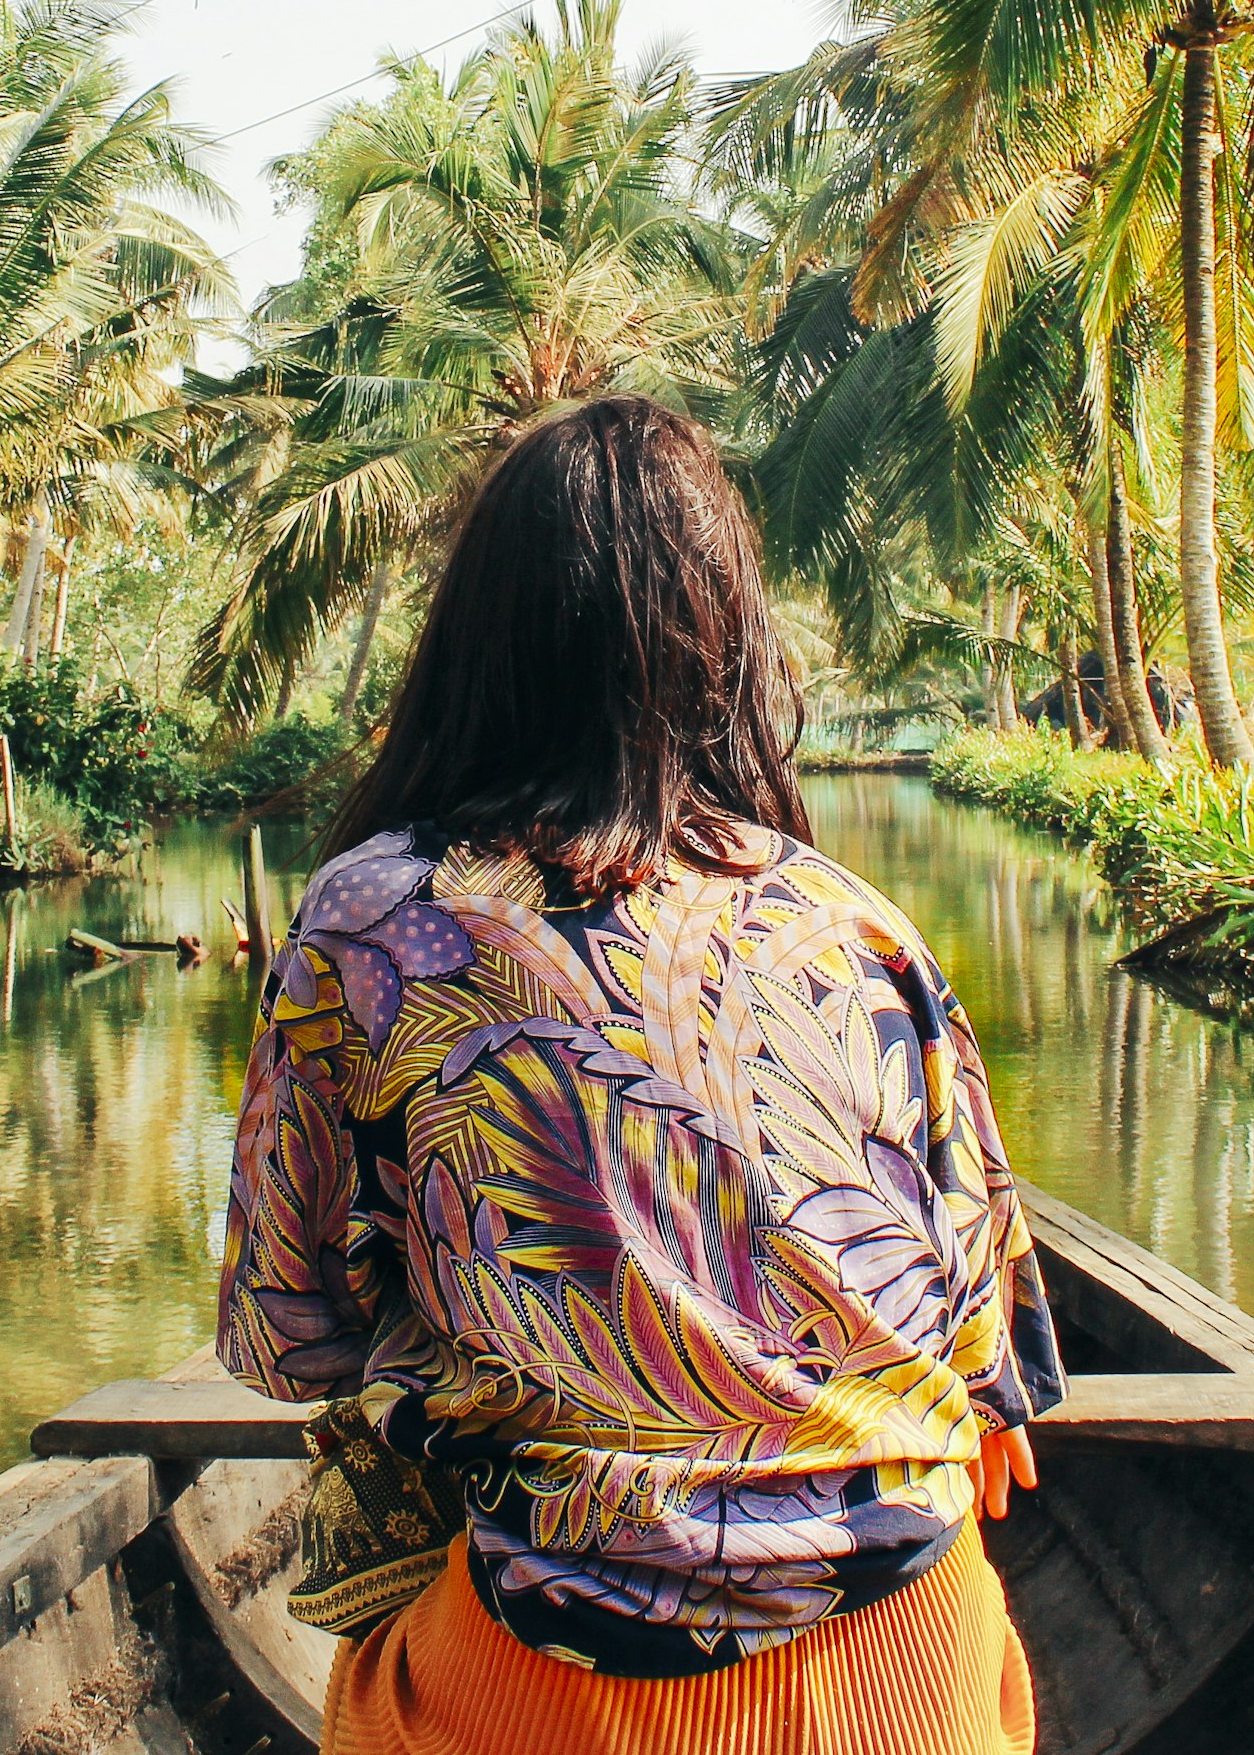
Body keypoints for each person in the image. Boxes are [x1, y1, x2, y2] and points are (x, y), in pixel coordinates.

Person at [217, 395, 1061, 1755]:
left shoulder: (374, 918)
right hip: (915, 1668)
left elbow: (287, 1333)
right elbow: (992, 1362)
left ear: (476, 644)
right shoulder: (854, 923)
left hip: (560, 1678)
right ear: (728, 646)